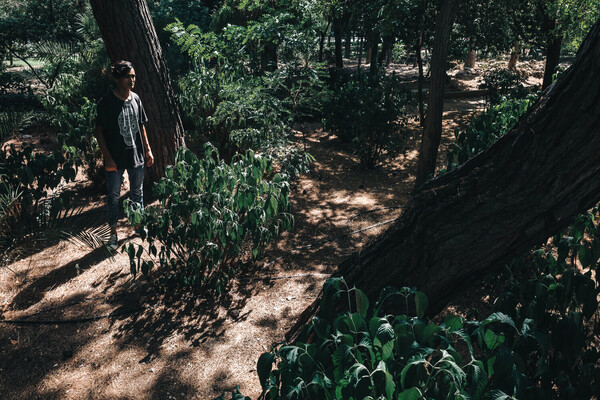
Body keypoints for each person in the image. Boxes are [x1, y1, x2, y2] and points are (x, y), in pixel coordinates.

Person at [94, 60, 154, 251]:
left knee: (138, 193)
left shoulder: (136, 99)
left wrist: (148, 149)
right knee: (113, 196)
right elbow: (99, 132)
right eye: (129, 76)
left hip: (136, 155)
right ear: (118, 78)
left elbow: (142, 125)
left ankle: (138, 225)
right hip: (114, 159)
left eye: (134, 76)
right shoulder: (106, 103)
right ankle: (112, 234)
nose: (132, 79)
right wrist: (108, 158)